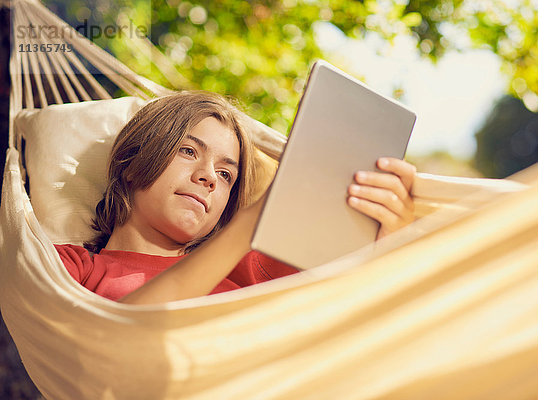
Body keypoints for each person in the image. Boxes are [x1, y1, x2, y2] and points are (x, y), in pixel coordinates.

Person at [55, 91, 417, 305]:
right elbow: (118, 337)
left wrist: (393, 245)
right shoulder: (72, 267)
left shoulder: (253, 263)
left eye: (227, 174)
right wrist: (250, 223)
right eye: (188, 151)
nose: (209, 177)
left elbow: (360, 305)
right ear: (133, 161)